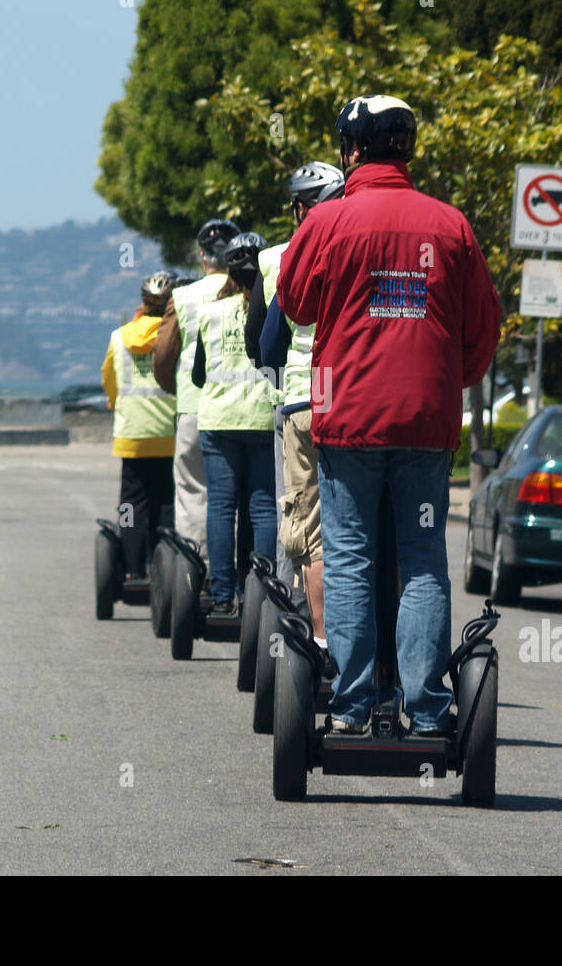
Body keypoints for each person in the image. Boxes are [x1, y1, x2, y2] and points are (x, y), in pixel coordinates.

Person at [276, 94, 501, 735]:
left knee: (349, 554)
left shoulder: (327, 221)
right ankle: (427, 709)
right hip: (426, 424)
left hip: (348, 417)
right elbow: (483, 326)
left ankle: (350, 706)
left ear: (352, 151)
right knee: (424, 557)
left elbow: (293, 303)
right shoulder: (451, 224)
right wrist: (447, 382)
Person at [253, 162, 346, 660]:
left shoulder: (291, 256)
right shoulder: (365, 244)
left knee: (311, 533)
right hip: (358, 404)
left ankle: (324, 646)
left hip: (304, 402)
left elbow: (268, 344)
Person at [190, 232, 278, 612]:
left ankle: (223, 597)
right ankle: (263, 595)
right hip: (261, 420)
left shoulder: (209, 313)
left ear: (228, 268)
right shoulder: (273, 307)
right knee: (263, 510)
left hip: (220, 422)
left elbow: (197, 375)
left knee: (222, 509)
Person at [152, 219, 240, 553]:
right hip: (241, 409)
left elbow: (163, 355)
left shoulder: (183, 296)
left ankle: (195, 566)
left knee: (192, 491)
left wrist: (173, 387)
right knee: (235, 494)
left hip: (192, 406)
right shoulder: (249, 288)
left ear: (202, 258)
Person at [101, 273, 178, 580]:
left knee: (132, 504)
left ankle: (133, 569)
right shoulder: (176, 334)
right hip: (170, 434)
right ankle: (166, 567)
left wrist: (115, 404)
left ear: (143, 304)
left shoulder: (120, 337)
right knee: (166, 502)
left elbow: (110, 381)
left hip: (132, 435)